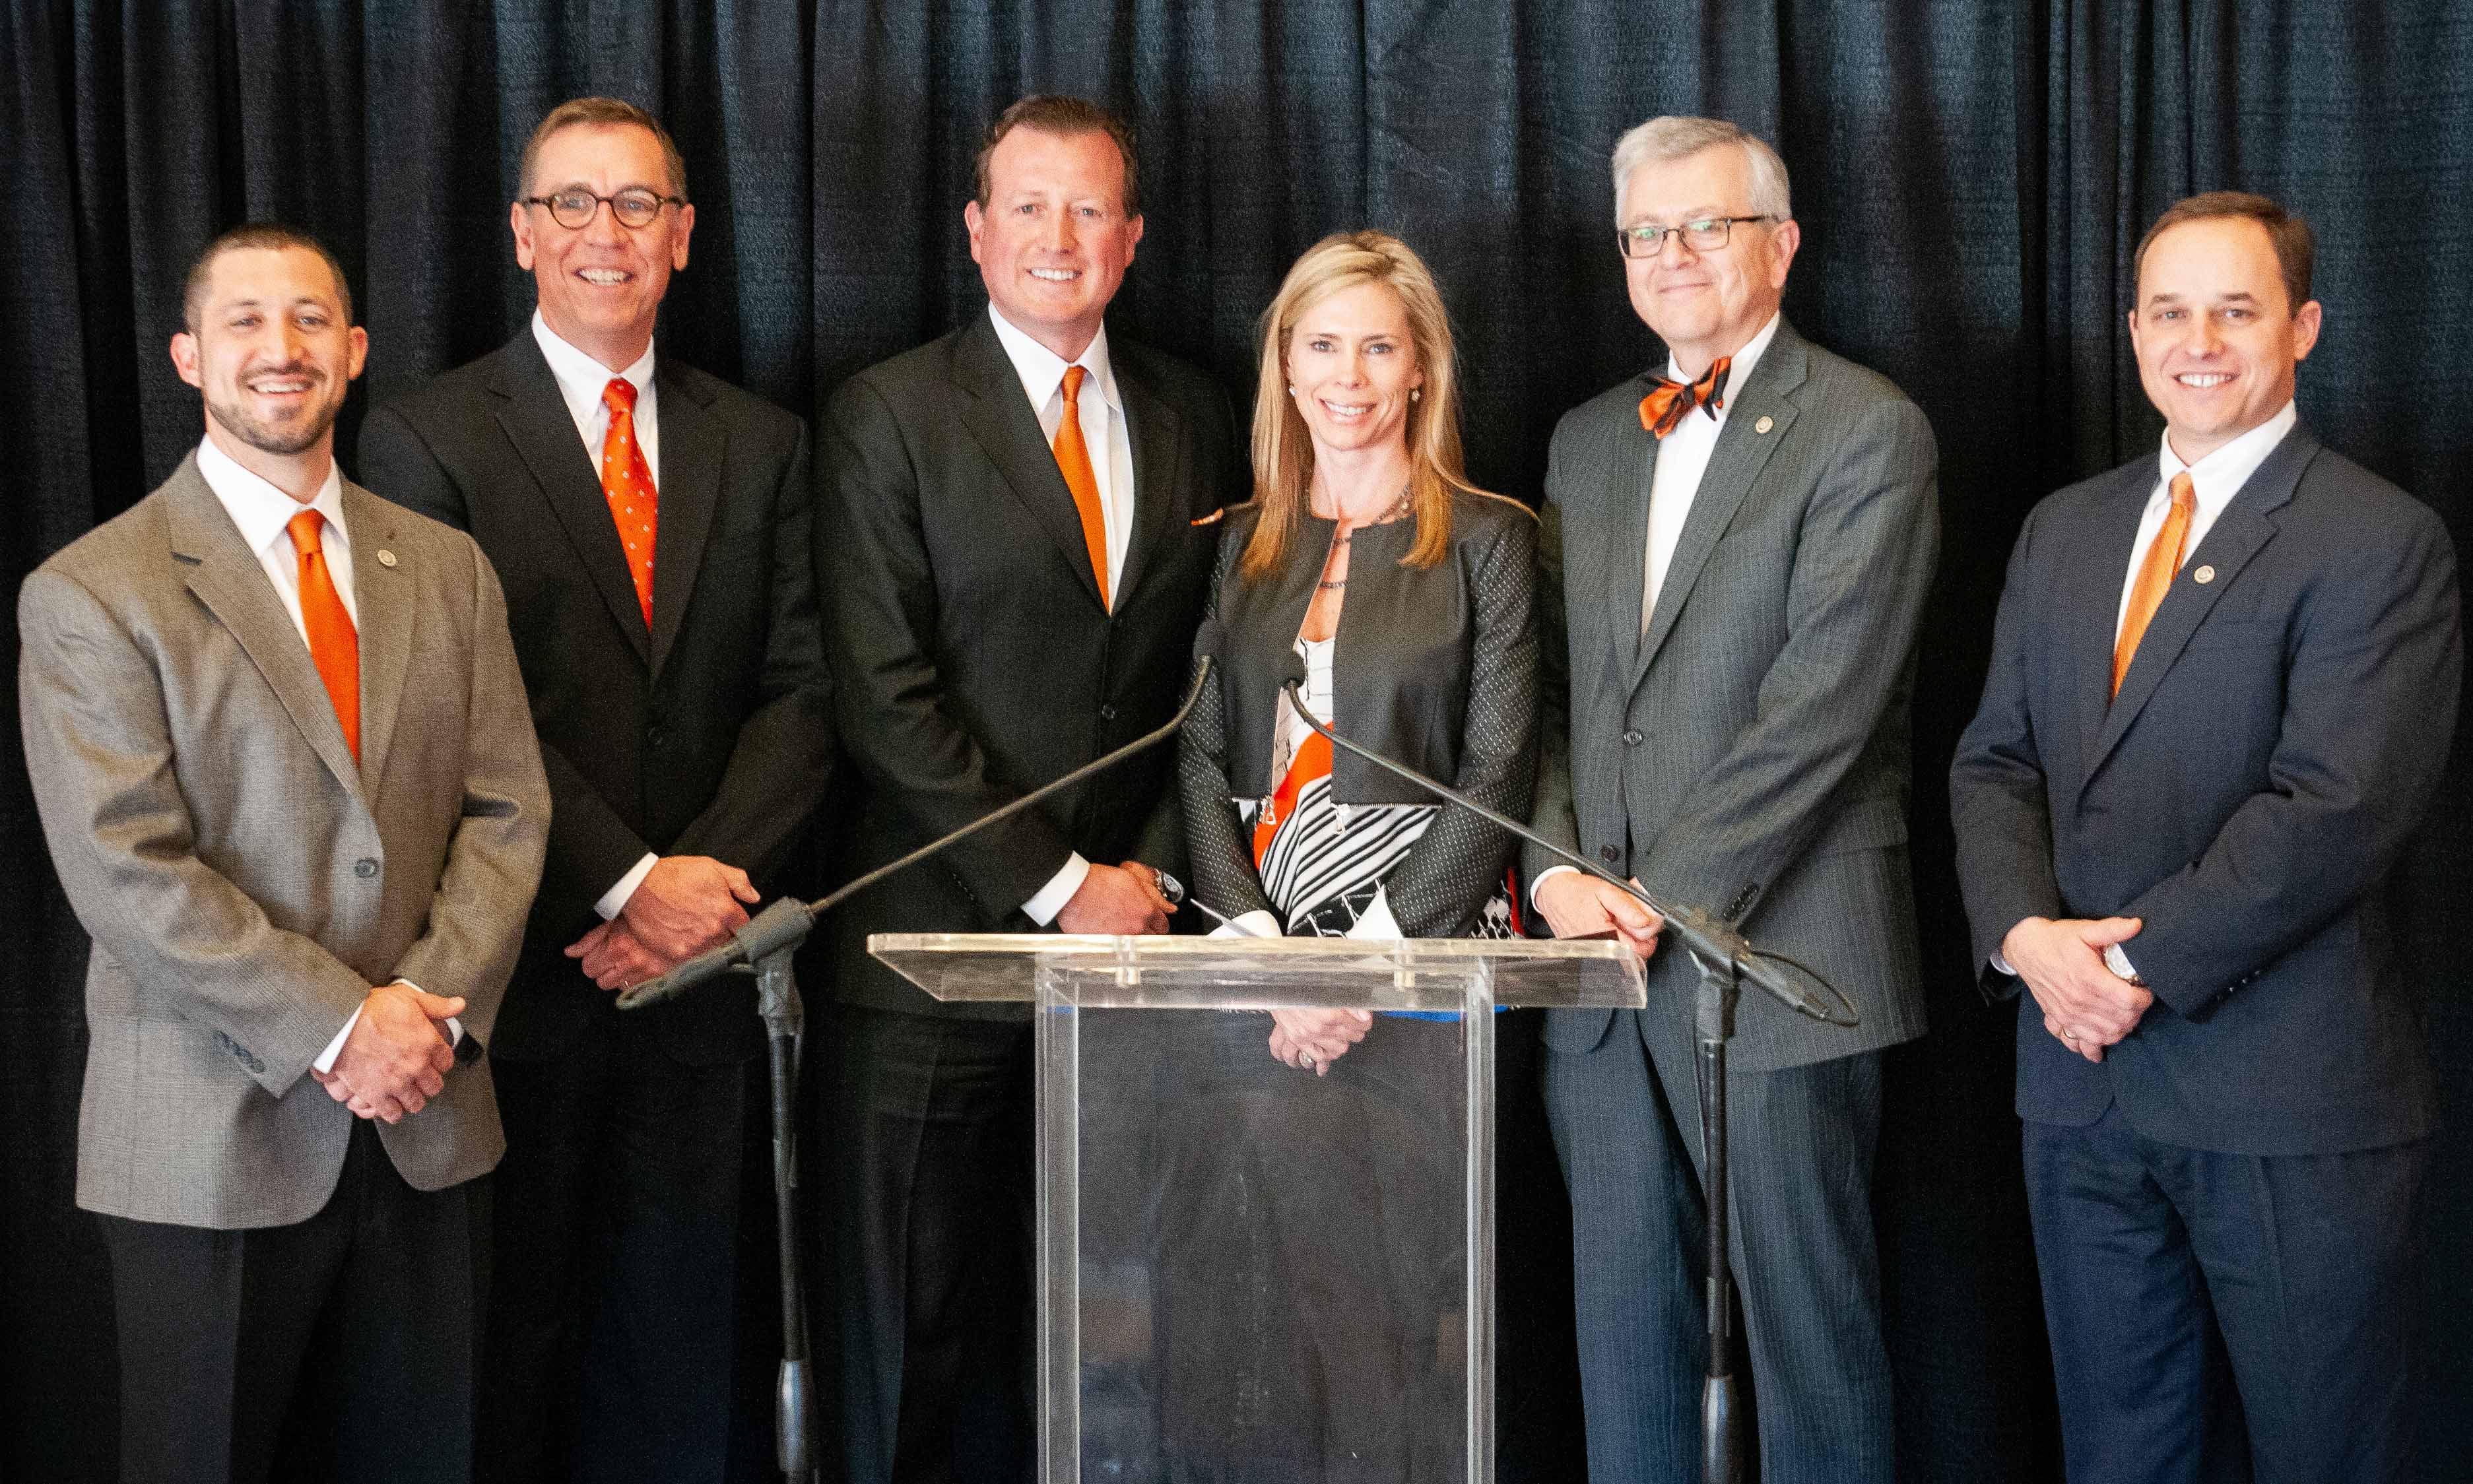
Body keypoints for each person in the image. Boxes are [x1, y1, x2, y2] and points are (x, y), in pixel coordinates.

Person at [18, 224, 548, 1483]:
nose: (281, 349)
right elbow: (127, 869)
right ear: (189, 357)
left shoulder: (450, 571)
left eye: (310, 319)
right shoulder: (94, 591)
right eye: (246, 322)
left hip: (427, 1120)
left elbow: (508, 812)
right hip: (209, 1145)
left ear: (355, 352)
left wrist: (421, 1016)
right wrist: (341, 1024)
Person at [356, 97, 834, 1483]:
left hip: (704, 991)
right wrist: (626, 884)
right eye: (571, 202)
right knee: (509, 1357)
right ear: (519, 232)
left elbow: (806, 697)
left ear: (683, 237)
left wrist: (694, 900)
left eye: (636, 205)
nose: (604, 233)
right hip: (521, 982)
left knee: (680, 1362)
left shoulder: (766, 442)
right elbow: (454, 716)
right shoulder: (425, 439)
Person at [1950, 191, 2459, 1482]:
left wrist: (2117, 971)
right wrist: (2023, 938)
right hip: (2078, 1090)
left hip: (2283, 1095)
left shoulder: (2376, 540)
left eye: (2234, 310)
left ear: (2301, 327)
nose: (2199, 340)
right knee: (2120, 1459)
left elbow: (2330, 808)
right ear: (2129, 332)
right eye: (2169, 311)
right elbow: (1993, 760)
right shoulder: (2060, 531)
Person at [819, 94, 1241, 1483]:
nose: (1056, 238)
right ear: (975, 229)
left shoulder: (1198, 411)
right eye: (1027, 207)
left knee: (1112, 1338)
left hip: (1135, 953)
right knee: (910, 1347)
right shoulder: (887, 413)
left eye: (1087, 211)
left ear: (1128, 238)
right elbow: (884, 694)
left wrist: (1145, 887)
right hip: (933, 953)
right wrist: (1056, 888)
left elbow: (1204, 684)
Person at [1526, 115, 1938, 1482]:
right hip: (1594, 977)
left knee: (1808, 1353)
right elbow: (1541, 699)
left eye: (1706, 224)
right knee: (1623, 1348)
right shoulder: (1583, 442)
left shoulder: (1863, 428)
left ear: (1782, 242)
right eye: (1647, 232)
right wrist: (1553, 876)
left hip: (1783, 960)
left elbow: (1822, 707)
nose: (1672, 255)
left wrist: (1656, 894)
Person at [1162, 228, 1537, 1479]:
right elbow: (1201, 756)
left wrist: (1369, 963)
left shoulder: (1489, 536)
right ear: (1285, 361)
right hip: (1256, 970)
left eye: (1380, 345)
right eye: (1323, 343)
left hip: (1415, 968)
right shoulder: (1246, 537)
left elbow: (1498, 773)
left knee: (1379, 1306)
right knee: (1251, 1305)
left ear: (1422, 367)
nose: (1351, 374)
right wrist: (1261, 947)